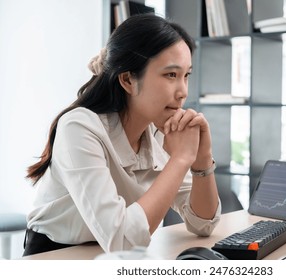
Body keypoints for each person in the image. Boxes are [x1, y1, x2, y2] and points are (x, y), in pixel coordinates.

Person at [23, 13, 221, 256]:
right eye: (171, 75)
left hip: (117, 257)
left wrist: (202, 160)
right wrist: (180, 160)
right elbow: (122, 239)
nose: (183, 92)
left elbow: (204, 223)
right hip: (54, 257)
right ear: (128, 79)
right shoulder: (79, 127)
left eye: (186, 75)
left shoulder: (161, 129)